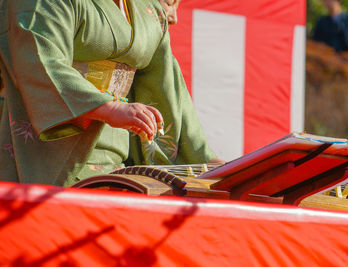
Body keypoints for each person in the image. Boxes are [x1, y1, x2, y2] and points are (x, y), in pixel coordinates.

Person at [0, 0, 223, 186]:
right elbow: (37, 60)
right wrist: (109, 108)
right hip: (47, 155)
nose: (174, 15)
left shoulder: (148, 9)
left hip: (117, 166)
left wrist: (210, 162)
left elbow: (165, 89)